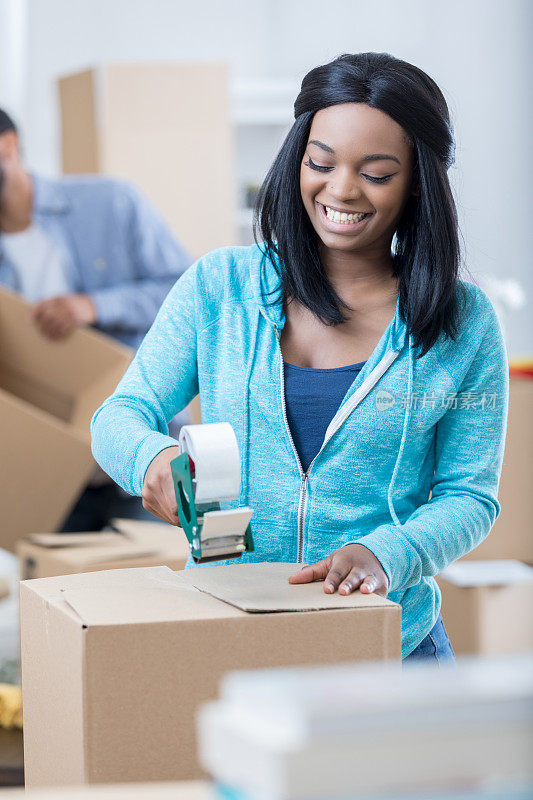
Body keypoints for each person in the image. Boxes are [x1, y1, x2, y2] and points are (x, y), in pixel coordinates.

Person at [90, 52, 509, 663]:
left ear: (418, 179)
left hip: (389, 645)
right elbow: (120, 414)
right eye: (322, 162)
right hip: (232, 637)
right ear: (298, 160)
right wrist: (150, 458)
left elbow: (470, 496)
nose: (340, 189)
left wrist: (387, 556)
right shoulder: (221, 288)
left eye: (377, 173)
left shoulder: (462, 323)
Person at [0, 107, 193, 530]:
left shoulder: (110, 203)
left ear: (8, 145)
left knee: (163, 587)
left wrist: (95, 305)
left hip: (148, 455)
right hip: (56, 472)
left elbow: (187, 292)